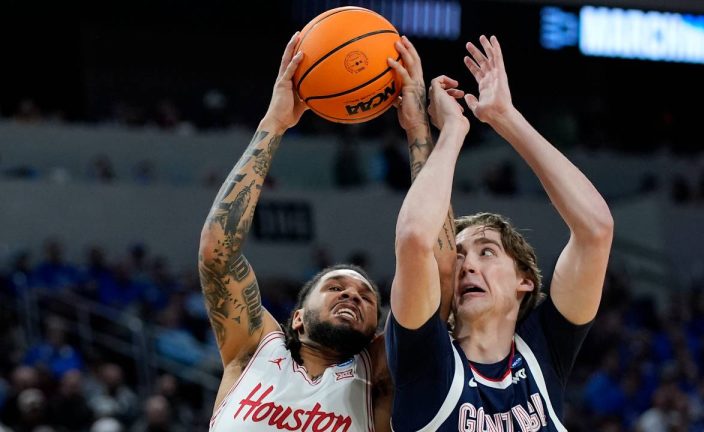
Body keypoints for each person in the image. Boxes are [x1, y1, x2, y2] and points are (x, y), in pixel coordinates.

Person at [200, 32, 447, 431]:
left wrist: (418, 128)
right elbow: (218, 254)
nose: (352, 293)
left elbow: (441, 275)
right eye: (335, 288)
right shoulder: (252, 349)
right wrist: (274, 123)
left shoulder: (379, 378)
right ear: (296, 319)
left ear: (373, 331)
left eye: (367, 297)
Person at [386, 35, 614, 431]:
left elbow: (595, 229)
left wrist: (505, 118)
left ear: (525, 280)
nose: (467, 265)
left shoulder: (544, 350)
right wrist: (450, 131)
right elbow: (416, 239)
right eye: (457, 254)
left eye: (486, 252)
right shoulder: (426, 360)